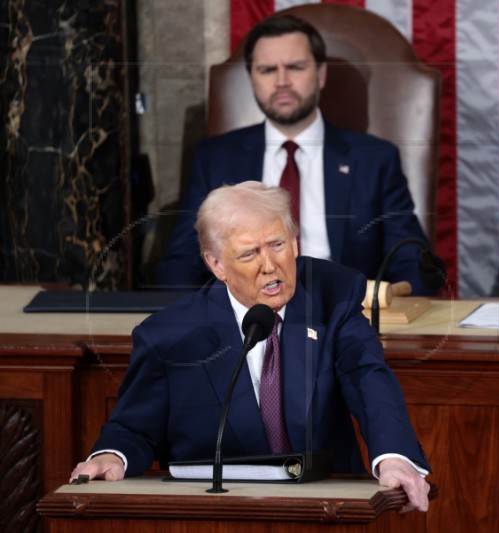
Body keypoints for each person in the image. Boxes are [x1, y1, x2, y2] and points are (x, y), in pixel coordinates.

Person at [72, 182, 430, 513]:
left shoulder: (332, 295)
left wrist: (394, 457)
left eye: (278, 244)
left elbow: (367, 379)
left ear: (295, 242)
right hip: (219, 515)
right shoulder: (169, 336)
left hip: (325, 509)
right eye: (248, 254)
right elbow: (134, 428)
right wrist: (112, 457)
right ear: (216, 265)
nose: (270, 265)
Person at [154, 14, 436, 295]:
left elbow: (413, 262)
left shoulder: (374, 160)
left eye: (295, 67)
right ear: (252, 79)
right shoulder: (215, 158)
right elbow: (182, 260)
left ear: (321, 75)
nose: (282, 81)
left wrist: (387, 301)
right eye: (267, 70)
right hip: (247, 321)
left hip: (345, 317)